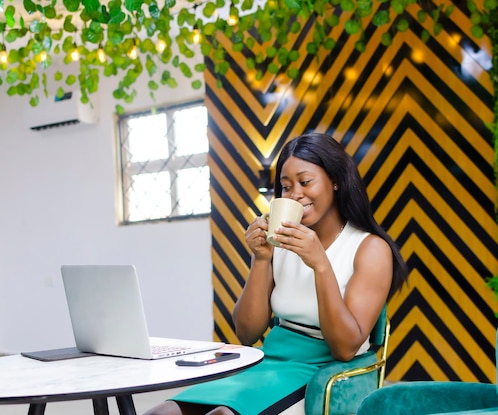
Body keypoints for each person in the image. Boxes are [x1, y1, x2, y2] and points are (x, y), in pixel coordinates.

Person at [144, 132, 408, 415]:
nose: (295, 194)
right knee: (162, 412)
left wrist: (321, 265)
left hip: (322, 371)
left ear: (336, 181)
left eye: (305, 182)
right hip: (268, 363)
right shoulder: (281, 242)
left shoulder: (369, 249)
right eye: (285, 186)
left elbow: (344, 349)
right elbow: (247, 332)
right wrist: (261, 259)